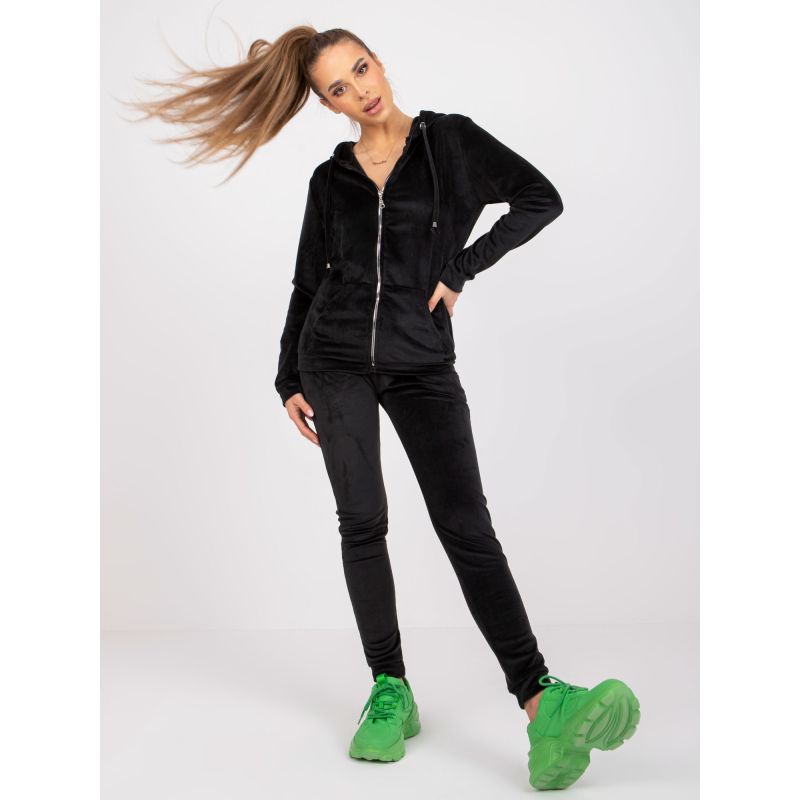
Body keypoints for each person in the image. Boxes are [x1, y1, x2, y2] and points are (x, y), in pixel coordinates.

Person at [126, 24, 640, 791]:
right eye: (339, 86)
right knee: (362, 521)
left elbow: (541, 198)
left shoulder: (450, 144)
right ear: (327, 104)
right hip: (332, 362)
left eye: (361, 69)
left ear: (380, 62)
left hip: (421, 361)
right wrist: (286, 378)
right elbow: (308, 283)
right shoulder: (329, 179)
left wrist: (461, 267)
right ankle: (390, 690)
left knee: (465, 526)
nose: (360, 90)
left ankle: (543, 703)